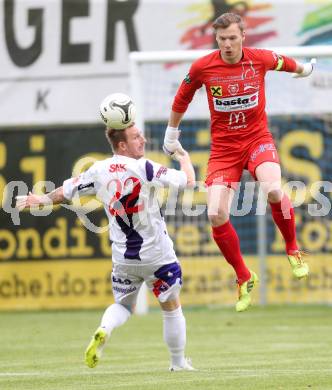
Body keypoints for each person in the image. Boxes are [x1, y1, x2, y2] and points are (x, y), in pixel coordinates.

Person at [163, 12, 313, 312]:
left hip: (257, 140)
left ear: (243, 36)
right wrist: (171, 132)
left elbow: (284, 61)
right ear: (216, 40)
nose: (228, 44)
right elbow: (182, 97)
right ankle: (244, 276)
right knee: (216, 213)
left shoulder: (258, 58)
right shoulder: (203, 67)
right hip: (224, 150)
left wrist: (304, 69)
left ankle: (293, 248)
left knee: (273, 189)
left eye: (232, 38)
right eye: (222, 39)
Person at [16, 124, 196, 371]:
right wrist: (183, 158)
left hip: (124, 258)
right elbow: (188, 181)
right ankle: (178, 363)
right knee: (171, 307)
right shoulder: (145, 167)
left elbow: (65, 192)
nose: (142, 140)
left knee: (123, 306)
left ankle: (105, 328)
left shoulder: (98, 170)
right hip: (157, 255)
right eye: (136, 137)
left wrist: (40, 199)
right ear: (122, 145)